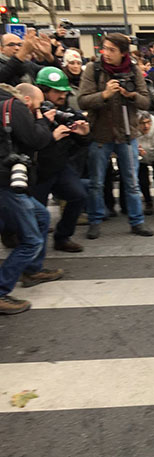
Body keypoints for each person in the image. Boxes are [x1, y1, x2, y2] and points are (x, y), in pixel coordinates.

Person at [78, 32, 154, 239]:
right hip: (100, 135)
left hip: (127, 134)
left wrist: (131, 95)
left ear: (122, 53)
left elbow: (146, 102)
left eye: (112, 50)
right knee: (97, 182)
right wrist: (104, 95)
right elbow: (82, 100)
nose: (107, 53)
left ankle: (137, 221)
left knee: (131, 182)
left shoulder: (133, 70)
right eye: (105, 48)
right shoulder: (93, 69)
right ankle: (95, 220)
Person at [0, 83, 61, 314]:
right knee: (32, 240)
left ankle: (33, 270)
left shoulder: (5, 105)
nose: (38, 108)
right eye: (37, 104)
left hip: (7, 180)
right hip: (6, 182)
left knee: (42, 216)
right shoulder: (14, 106)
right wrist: (43, 120)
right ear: (27, 99)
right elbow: (34, 140)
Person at [31, 68, 91, 253]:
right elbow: (29, 143)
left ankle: (62, 237)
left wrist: (83, 134)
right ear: (43, 91)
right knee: (35, 212)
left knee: (78, 195)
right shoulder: (29, 114)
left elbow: (80, 143)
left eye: (64, 91)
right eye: (57, 91)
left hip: (59, 166)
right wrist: (50, 135)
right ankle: (29, 247)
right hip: (37, 171)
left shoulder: (66, 112)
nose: (62, 95)